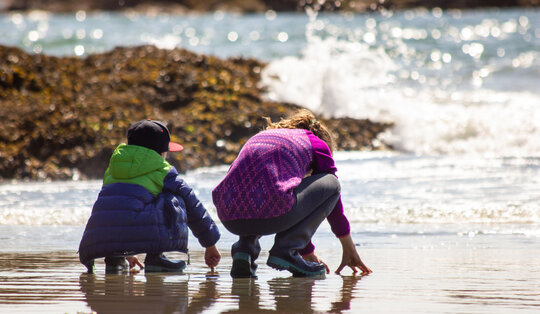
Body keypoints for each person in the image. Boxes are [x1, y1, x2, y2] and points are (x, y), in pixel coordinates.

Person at [212, 109, 371, 278]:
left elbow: (250, 187)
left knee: (257, 189)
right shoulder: (316, 143)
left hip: (228, 214)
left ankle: (244, 251)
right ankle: (286, 251)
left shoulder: (261, 137)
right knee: (332, 184)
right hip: (270, 212)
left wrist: (307, 252)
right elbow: (333, 198)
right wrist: (348, 247)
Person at [79, 119, 221, 274]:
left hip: (99, 236)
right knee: (176, 198)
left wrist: (127, 252)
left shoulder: (113, 168)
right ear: (161, 153)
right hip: (140, 234)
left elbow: (120, 212)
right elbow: (193, 205)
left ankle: (114, 259)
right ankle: (155, 258)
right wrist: (210, 244)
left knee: (114, 200)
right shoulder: (163, 171)